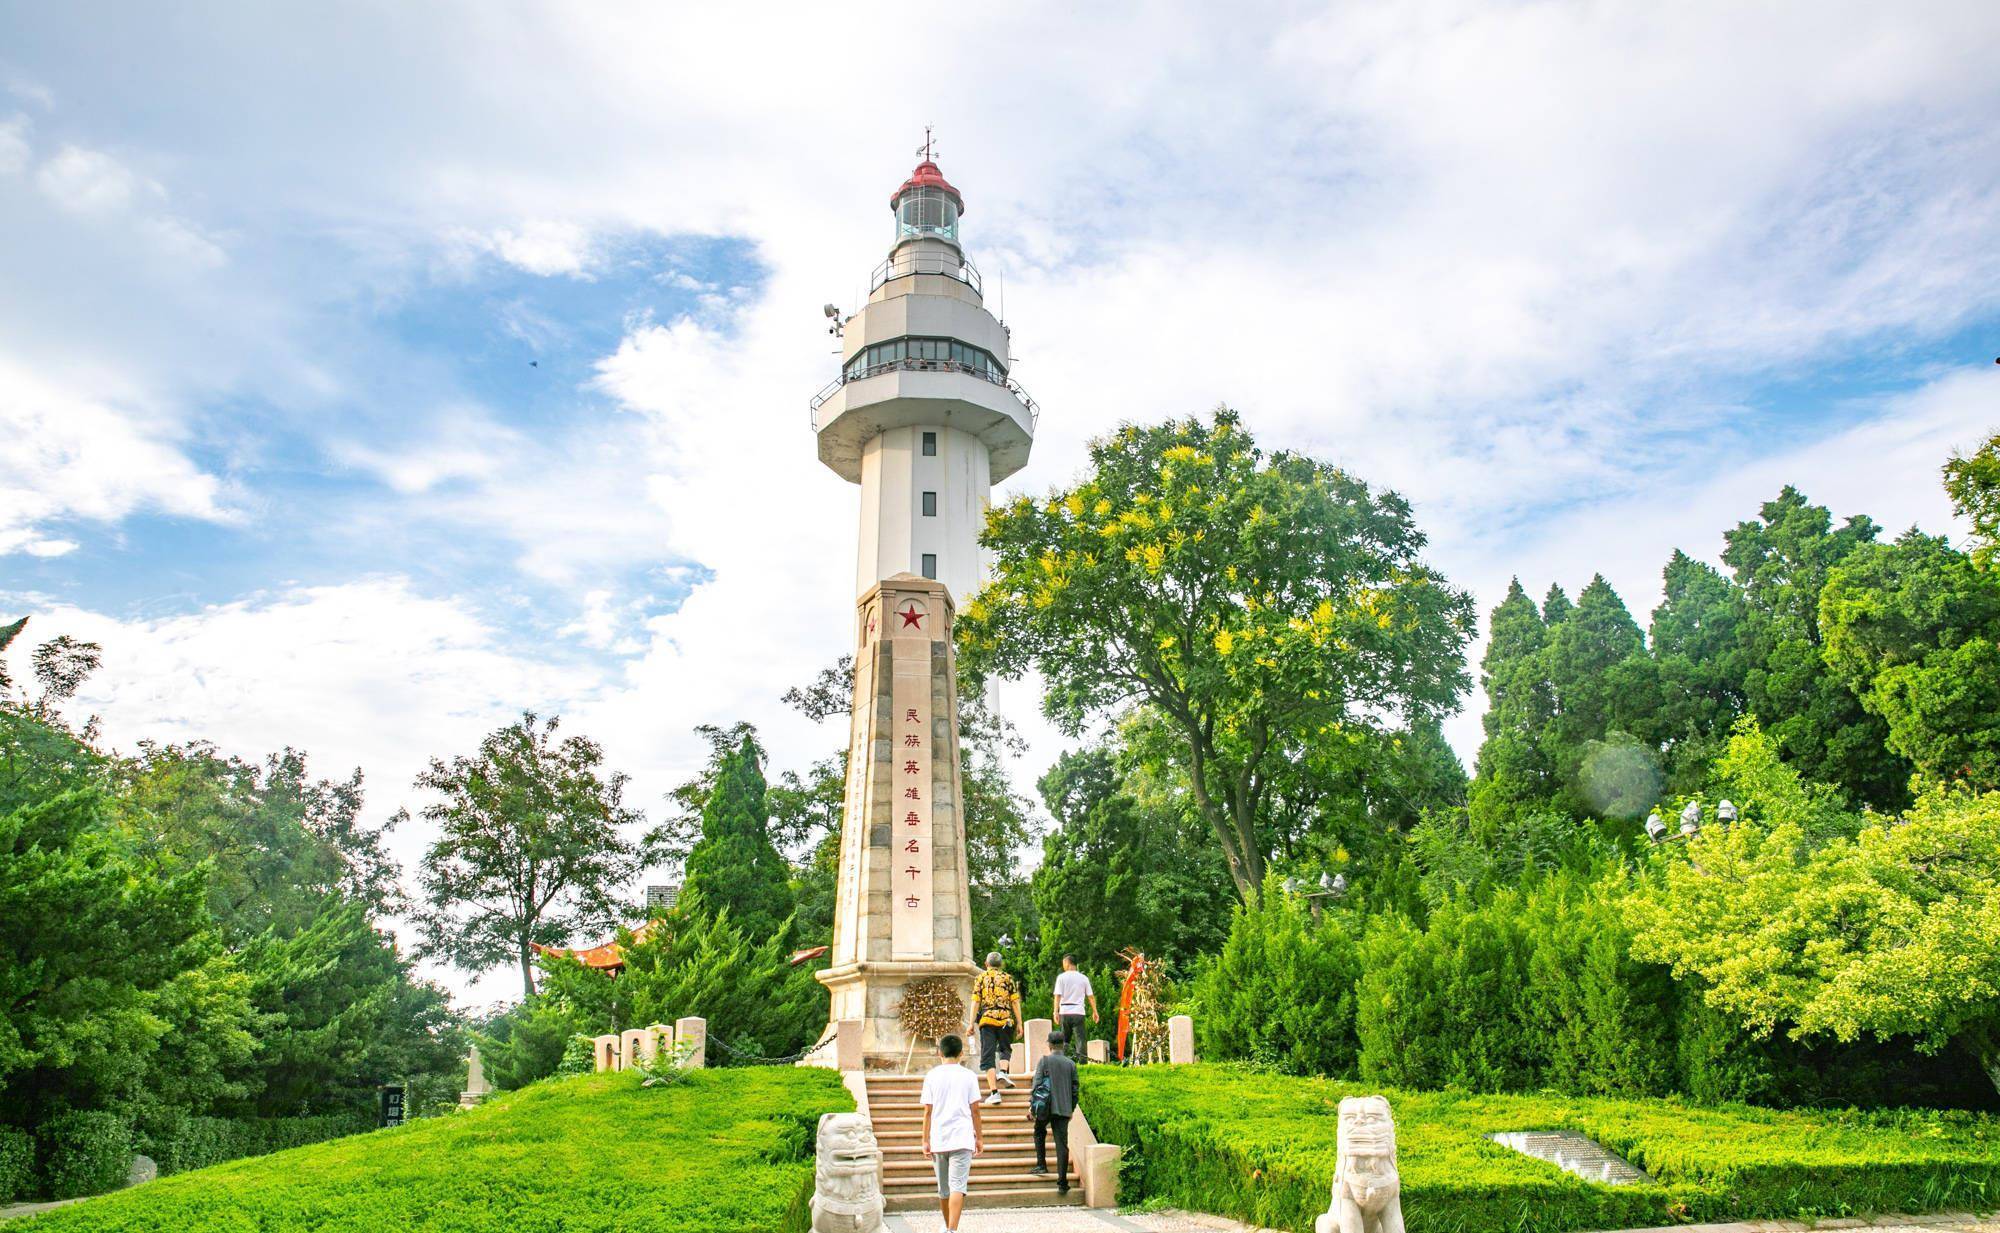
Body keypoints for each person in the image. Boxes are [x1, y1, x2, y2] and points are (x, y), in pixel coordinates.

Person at [921, 1033, 984, 1231]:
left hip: (939, 1138)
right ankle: (951, 1229)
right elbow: (975, 1111)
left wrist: (925, 1139)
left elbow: (927, 1112)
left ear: (939, 1052)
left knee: (944, 1188)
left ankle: (948, 1226)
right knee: (958, 1185)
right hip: (962, 1137)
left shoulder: (931, 1076)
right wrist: (979, 1137)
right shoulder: (969, 1076)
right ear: (961, 1053)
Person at [1029, 1027, 1080, 1194]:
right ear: (1063, 1045)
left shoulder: (1044, 1061)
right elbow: (1075, 1090)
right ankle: (1062, 1182)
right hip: (1063, 1109)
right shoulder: (1071, 1064)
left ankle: (1041, 1165)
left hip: (1045, 1107)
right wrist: (1071, 1108)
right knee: (1061, 1145)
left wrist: (1032, 1106)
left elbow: (1036, 1086)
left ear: (1049, 1045)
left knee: (1038, 1131)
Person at [970, 951, 1022, 1105]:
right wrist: (1019, 1022)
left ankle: (994, 1092)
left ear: (986, 964)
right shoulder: (1008, 978)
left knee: (988, 1056)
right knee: (1005, 1048)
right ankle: (1004, 1072)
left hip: (987, 1020)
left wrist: (971, 1022)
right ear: (1001, 965)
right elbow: (1015, 1002)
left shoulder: (980, 978)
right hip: (1006, 1019)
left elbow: (975, 1002)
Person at [1051, 954, 1099, 1059]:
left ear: (1067, 963)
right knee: (1080, 1038)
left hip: (1064, 1011)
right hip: (1078, 1011)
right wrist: (1095, 1012)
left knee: (1064, 1039)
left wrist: (1056, 1012)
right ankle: (1082, 1061)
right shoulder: (1083, 978)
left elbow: (1057, 996)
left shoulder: (1061, 978)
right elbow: (1090, 997)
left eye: (1063, 963)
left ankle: (1062, 1060)